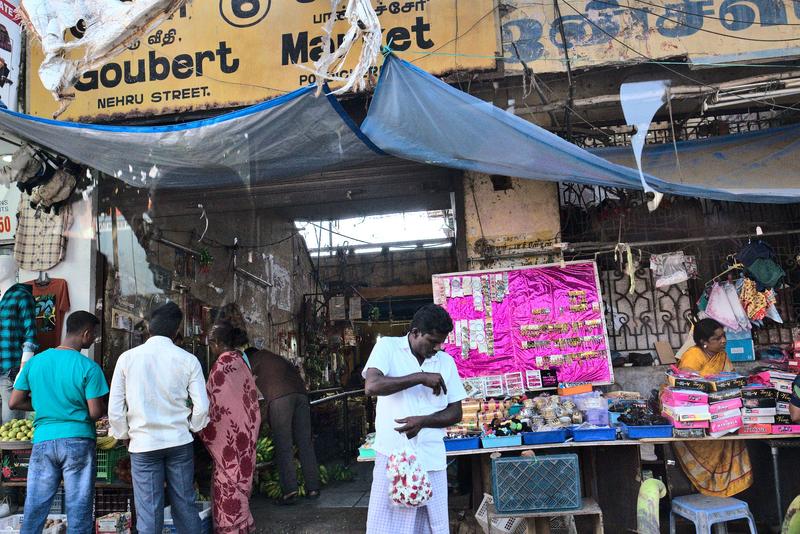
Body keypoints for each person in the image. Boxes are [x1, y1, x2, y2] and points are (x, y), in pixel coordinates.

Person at [363, 304, 466, 534]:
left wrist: (423, 421)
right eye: (432, 341)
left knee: (431, 527)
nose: (437, 347)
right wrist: (419, 377)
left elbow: (455, 412)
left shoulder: (445, 362)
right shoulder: (387, 347)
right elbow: (372, 386)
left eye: (441, 342)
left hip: (430, 458)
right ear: (416, 332)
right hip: (393, 457)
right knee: (386, 528)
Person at [108, 302, 210, 534]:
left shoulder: (127, 358)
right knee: (185, 505)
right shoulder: (188, 360)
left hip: (143, 445)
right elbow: (202, 407)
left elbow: (115, 408)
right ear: (176, 332)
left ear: (149, 329)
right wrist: (192, 428)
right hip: (179, 443)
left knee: (148, 512)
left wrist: (124, 434)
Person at [10, 311, 107, 534]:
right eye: (93, 335)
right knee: (79, 507)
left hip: (43, 440)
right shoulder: (89, 367)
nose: (93, 340)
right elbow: (94, 412)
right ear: (86, 333)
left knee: (35, 505)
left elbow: (15, 401)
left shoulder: (35, 362)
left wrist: (46, 405)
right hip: (78, 442)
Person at [671, 317, 753, 497]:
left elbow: (729, 380)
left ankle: (729, 496)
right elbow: (687, 390)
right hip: (697, 416)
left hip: (722, 415)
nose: (723, 341)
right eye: (717, 338)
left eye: (723, 336)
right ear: (704, 342)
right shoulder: (692, 356)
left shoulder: (721, 355)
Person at [199, 321, 261, 533]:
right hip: (245, 440)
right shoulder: (241, 362)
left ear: (215, 343)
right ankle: (243, 527)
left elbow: (209, 408)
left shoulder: (220, 367)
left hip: (228, 444)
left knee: (226, 490)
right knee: (240, 488)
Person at [249, 348, 320, 504]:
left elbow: (246, 385)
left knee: (284, 444)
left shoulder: (253, 359)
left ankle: (290, 491)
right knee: (305, 443)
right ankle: (313, 488)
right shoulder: (274, 357)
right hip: (301, 395)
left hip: (280, 398)